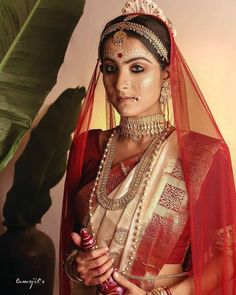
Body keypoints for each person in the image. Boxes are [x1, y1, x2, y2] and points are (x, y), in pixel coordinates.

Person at [60, 0, 236, 294]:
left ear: (167, 73)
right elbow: (73, 246)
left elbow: (228, 258)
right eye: (110, 68)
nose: (121, 84)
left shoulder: (203, 154)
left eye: (137, 68)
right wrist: (77, 265)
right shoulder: (88, 146)